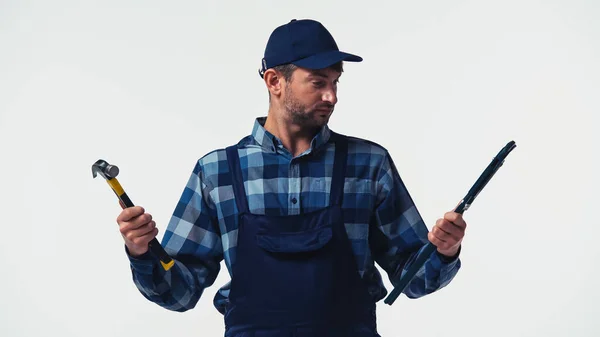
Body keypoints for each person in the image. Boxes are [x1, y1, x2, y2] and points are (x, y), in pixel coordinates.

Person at [116, 18, 467, 337]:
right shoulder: (217, 172)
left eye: (335, 82)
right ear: (274, 82)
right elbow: (180, 293)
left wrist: (445, 251)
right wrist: (142, 251)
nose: (331, 96)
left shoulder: (369, 164)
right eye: (317, 82)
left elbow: (413, 278)